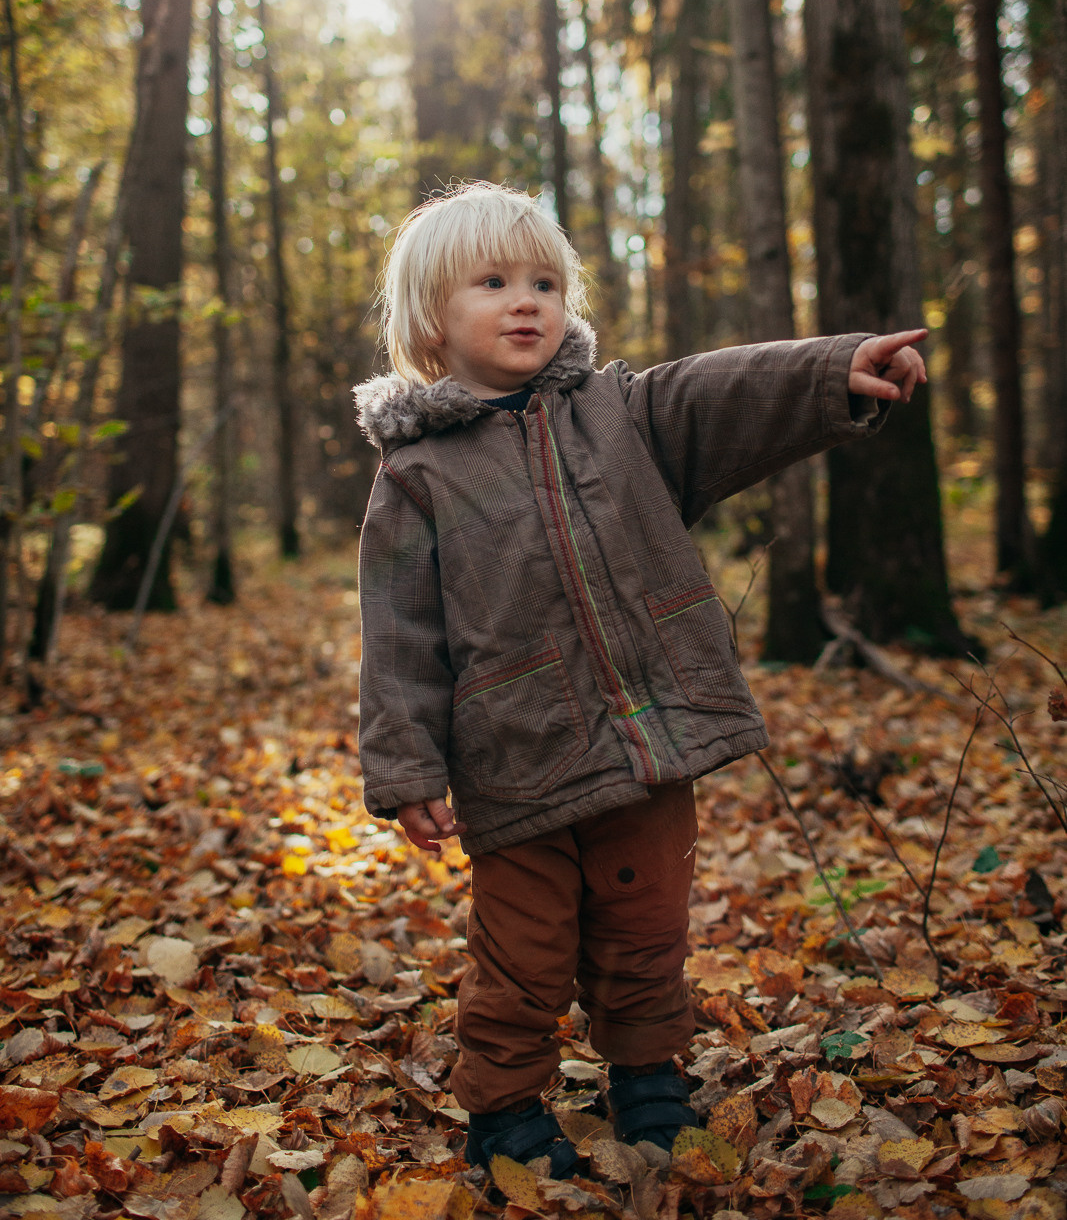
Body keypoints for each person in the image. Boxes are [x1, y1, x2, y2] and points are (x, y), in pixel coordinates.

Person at [353, 182, 926, 1176]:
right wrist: (406, 769)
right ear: (430, 319)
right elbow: (397, 637)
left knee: (645, 925)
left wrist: (834, 369)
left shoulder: (616, 413)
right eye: (492, 282)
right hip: (519, 764)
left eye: (542, 281)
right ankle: (503, 1110)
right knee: (522, 955)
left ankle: (647, 1074)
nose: (525, 300)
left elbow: (723, 392)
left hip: (650, 740)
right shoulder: (417, 478)